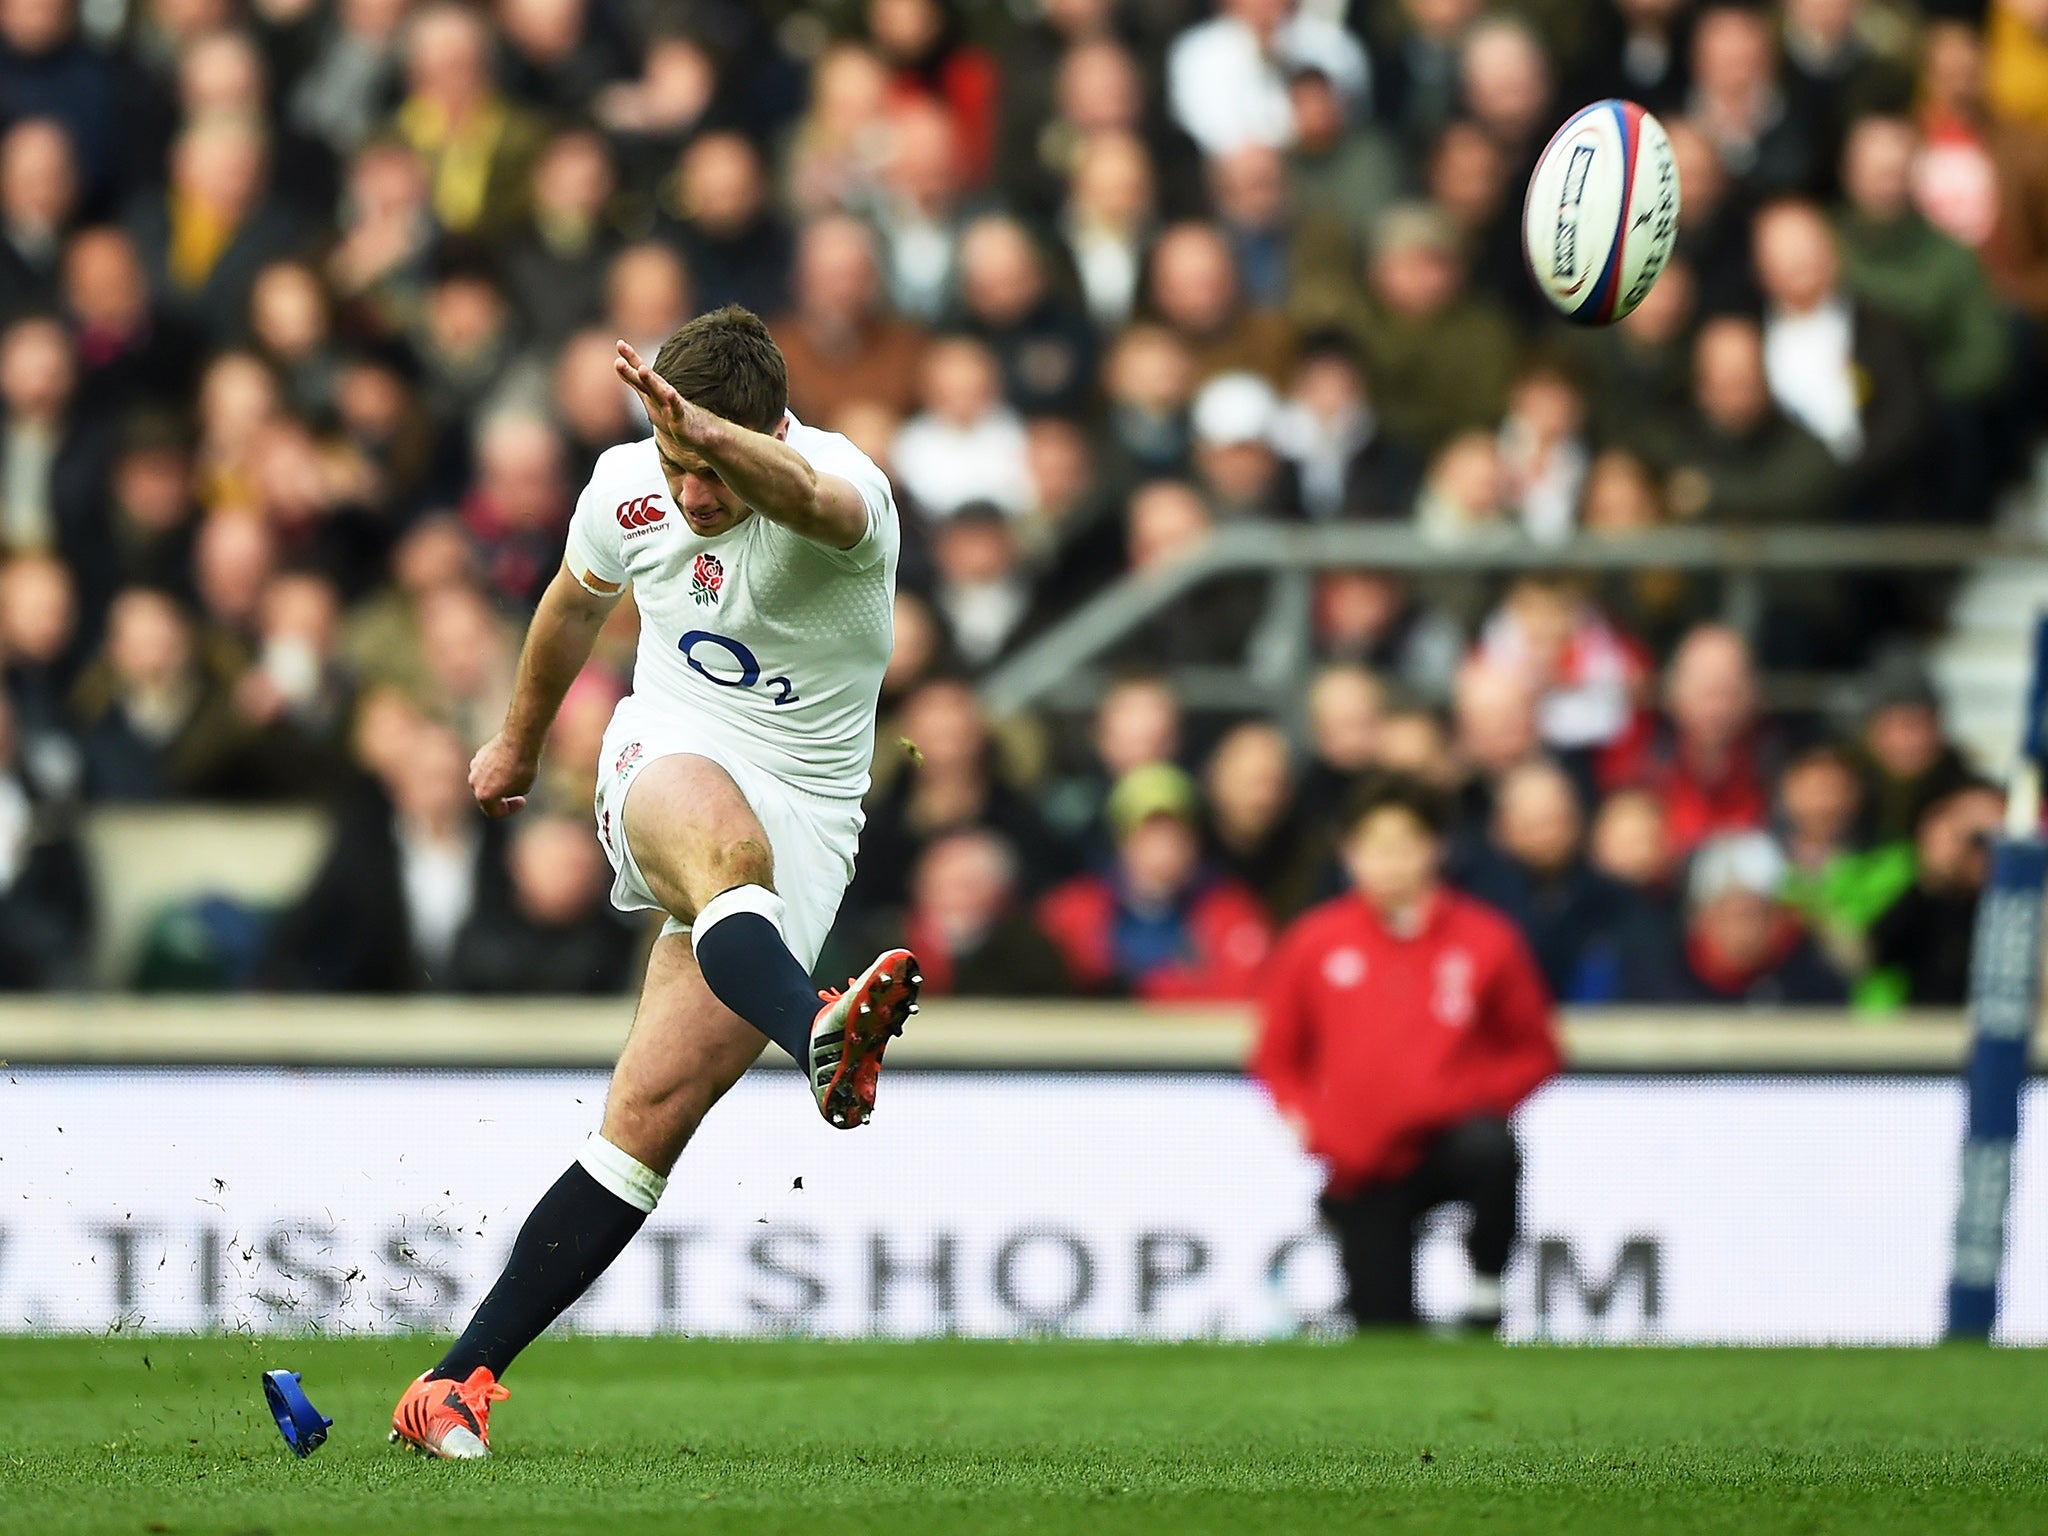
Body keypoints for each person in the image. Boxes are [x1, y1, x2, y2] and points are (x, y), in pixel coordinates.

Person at [388, 305, 920, 1458]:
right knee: (723, 853)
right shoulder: (626, 482)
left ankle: (450, 1382)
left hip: (815, 814)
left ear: (765, 430)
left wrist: (718, 443)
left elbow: (801, 499)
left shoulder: (845, 491)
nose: (692, 494)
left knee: (646, 1122)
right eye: (676, 463)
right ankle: (819, 1027)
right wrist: (519, 744)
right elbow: (572, 606)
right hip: (668, 754)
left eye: (713, 466)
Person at [1251, 772, 1561, 1331]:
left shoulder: (1486, 940)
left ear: (1433, 849)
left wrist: (1462, 1096)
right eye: (1375, 847)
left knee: (1491, 1150)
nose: (1389, 863)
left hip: (1447, 1145)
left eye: (1404, 845)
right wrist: (1314, 1125)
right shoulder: (1314, 942)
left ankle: (1487, 1288)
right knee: (1384, 1327)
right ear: (1350, 854)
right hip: (1362, 1164)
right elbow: (1276, 1056)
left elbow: (1535, 1051)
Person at [1035, 762, 1273, 1000]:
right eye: (1150, 830)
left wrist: (1148, 992)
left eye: (1176, 831)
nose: (1164, 846)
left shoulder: (1232, 911)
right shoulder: (1071, 912)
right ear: (1122, 839)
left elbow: (1249, 991)